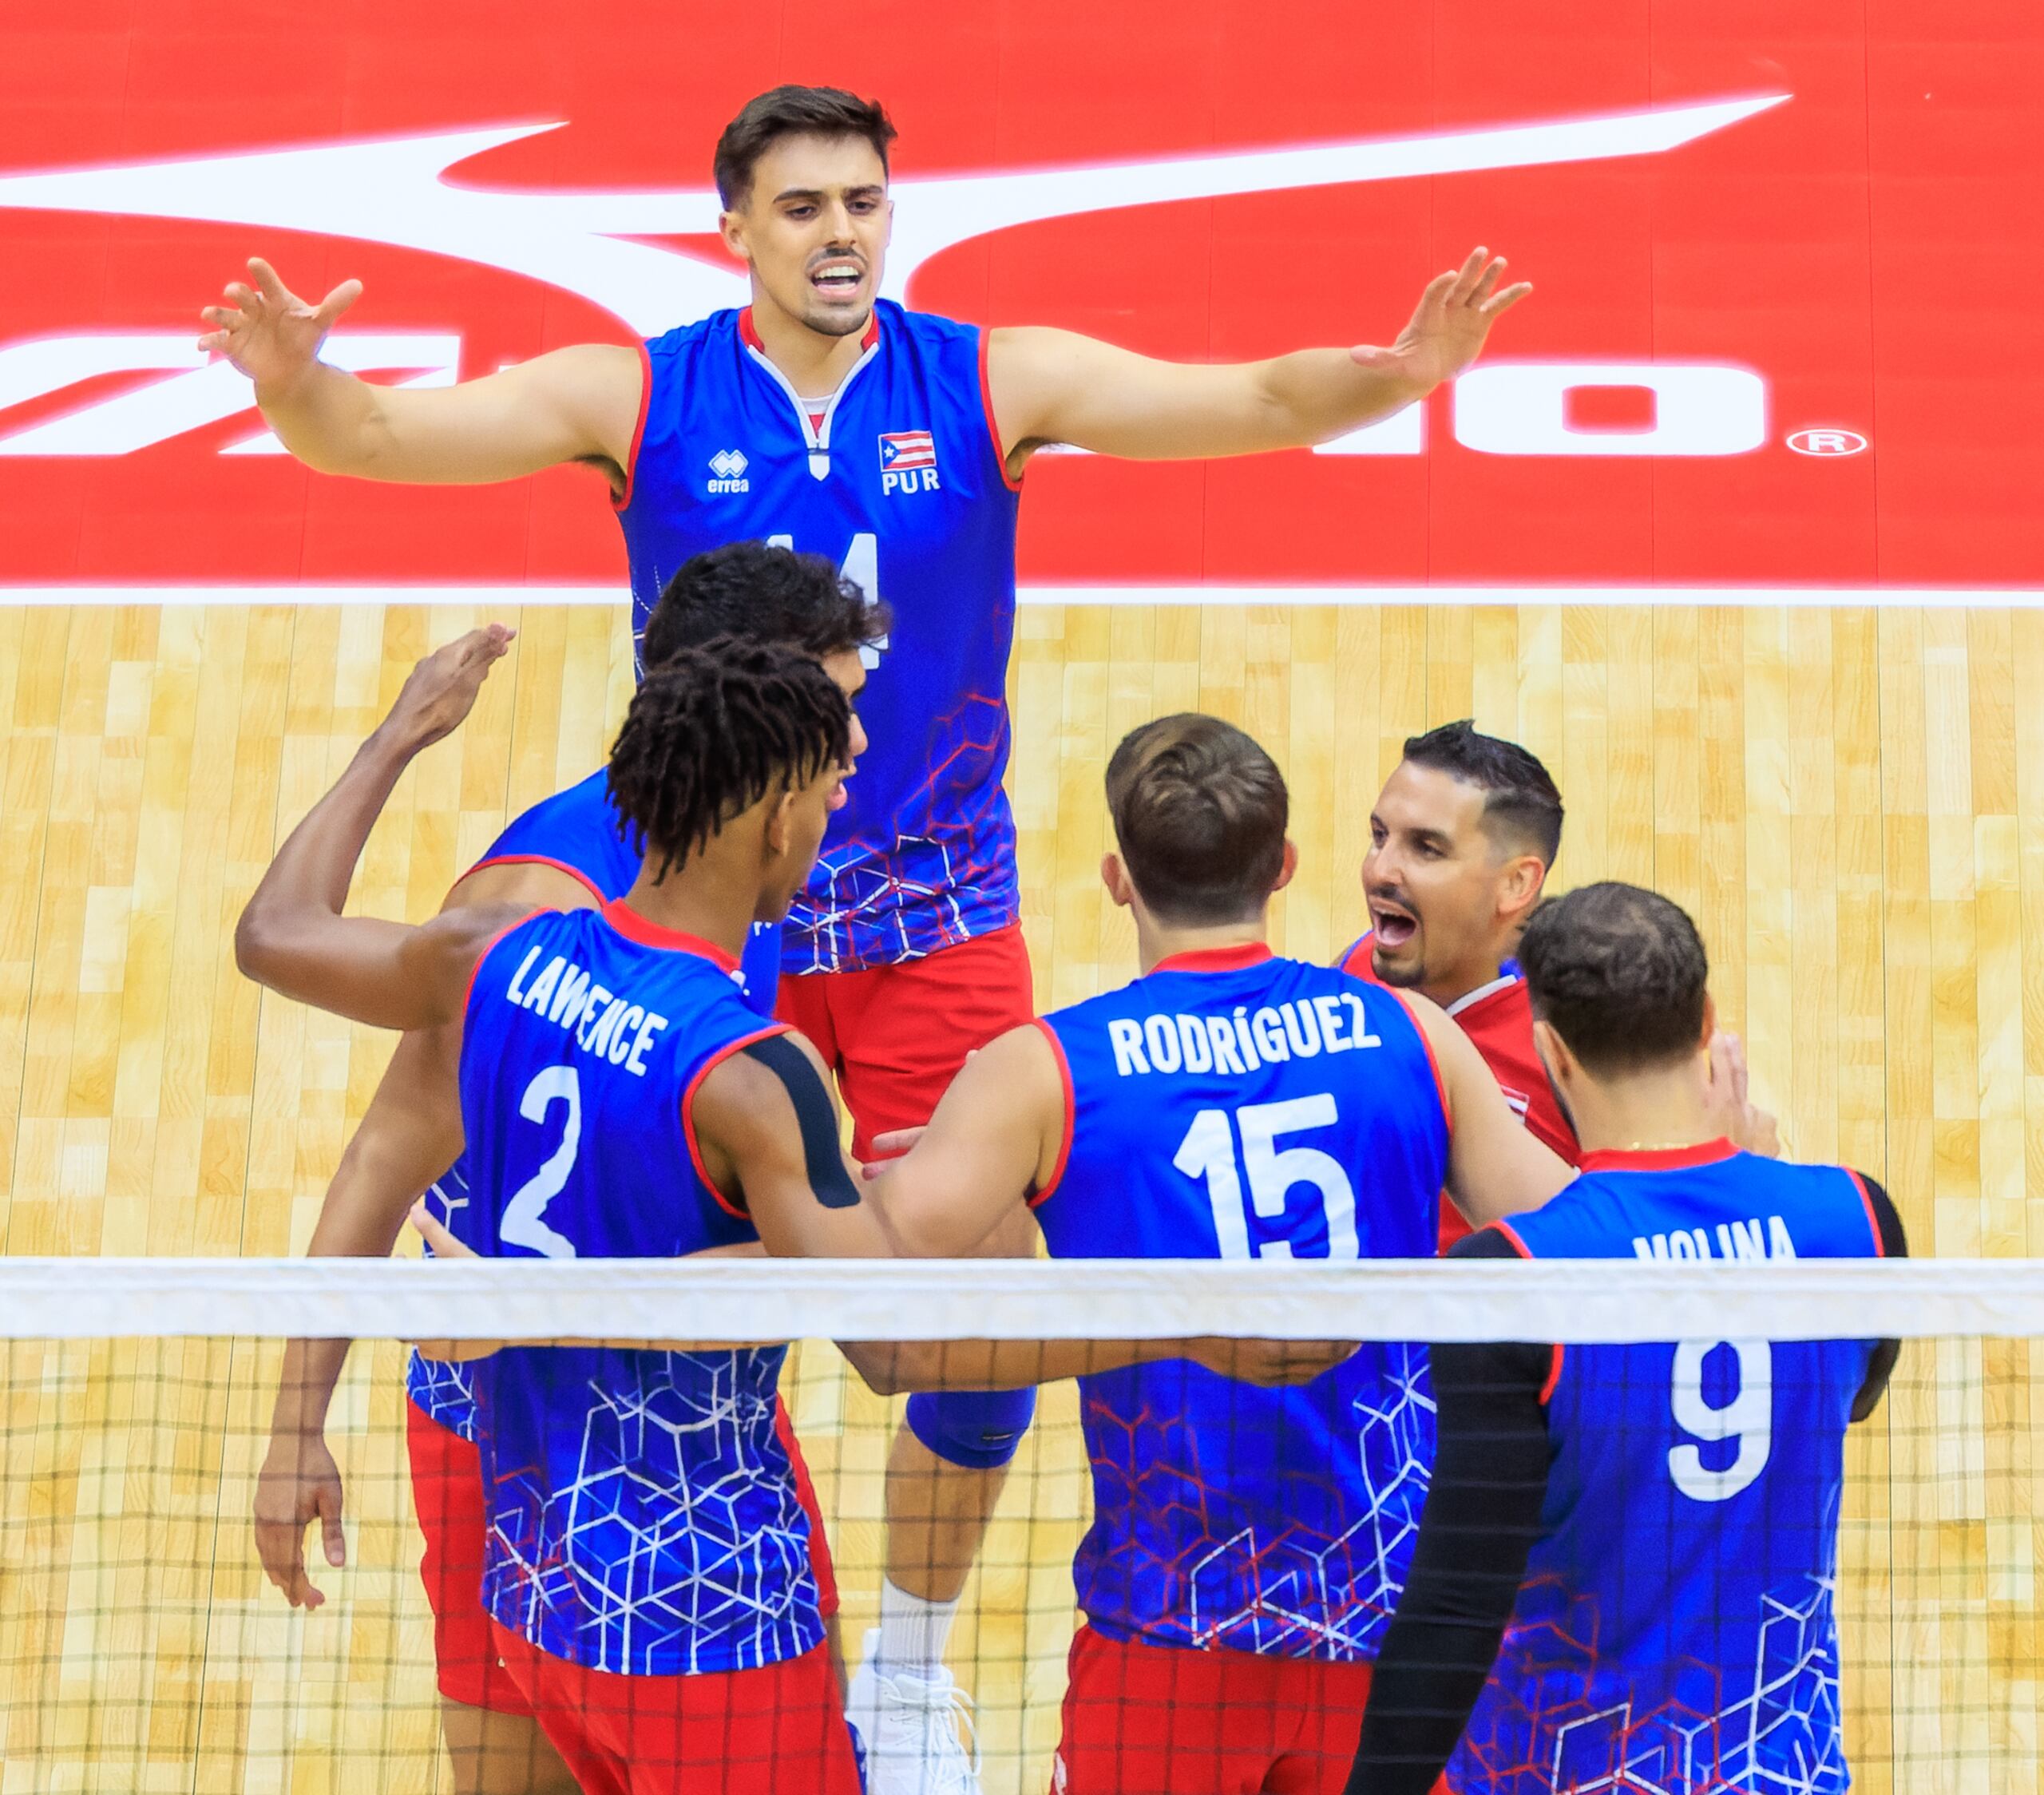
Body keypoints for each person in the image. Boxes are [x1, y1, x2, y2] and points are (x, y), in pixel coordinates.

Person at [200, 84, 1533, 1791]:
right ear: (734, 229)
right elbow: (377, 441)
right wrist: (300, 387)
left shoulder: (980, 379)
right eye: (806, 206)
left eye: (865, 203)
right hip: (705, 912)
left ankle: (907, 1648)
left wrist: (1399, 375)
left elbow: (1257, 396)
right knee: (853, 1274)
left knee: (953, 1300)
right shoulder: (641, 394)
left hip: (928, 927)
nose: (842, 233)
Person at [237, 629, 1353, 1794]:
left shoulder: (494, 954)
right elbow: (893, 1347)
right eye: (827, 793)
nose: (834, 821)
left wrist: (402, 731)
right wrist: (1189, 1325)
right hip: (709, 1613)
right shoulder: (755, 1074)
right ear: (776, 821)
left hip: (538, 1583)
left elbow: (278, 931)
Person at [248, 544, 885, 1795]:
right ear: (750, 722)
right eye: (834, 712)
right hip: (506, 1413)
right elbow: (387, 1147)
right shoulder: (539, 902)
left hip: (683, 1396)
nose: (854, 752)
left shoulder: (710, 876)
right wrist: (291, 1427)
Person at [865, 715, 1576, 1795]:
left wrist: (935, 1167)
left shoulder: (1048, 1073)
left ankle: (898, 1681)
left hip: (1171, 1630)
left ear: (1115, 877)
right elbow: (1595, 1257)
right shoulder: (1409, 1035)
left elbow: (897, 1349)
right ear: (1284, 869)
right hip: (1387, 1620)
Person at [1343, 882, 1906, 1795]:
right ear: (1706, 1021)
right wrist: (1756, 1178)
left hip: (1559, 1770)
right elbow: (1847, 1394)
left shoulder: (1515, 1273)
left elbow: (1456, 1602)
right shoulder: (1855, 1217)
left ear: (1551, 1052)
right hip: (1779, 1771)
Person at [1339, 720, 1776, 1246]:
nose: (1380, 870)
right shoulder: (1361, 964)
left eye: (1426, 849)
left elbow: (1665, 1233)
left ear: (1517, 883)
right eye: (1379, 837)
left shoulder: (1588, 1021)